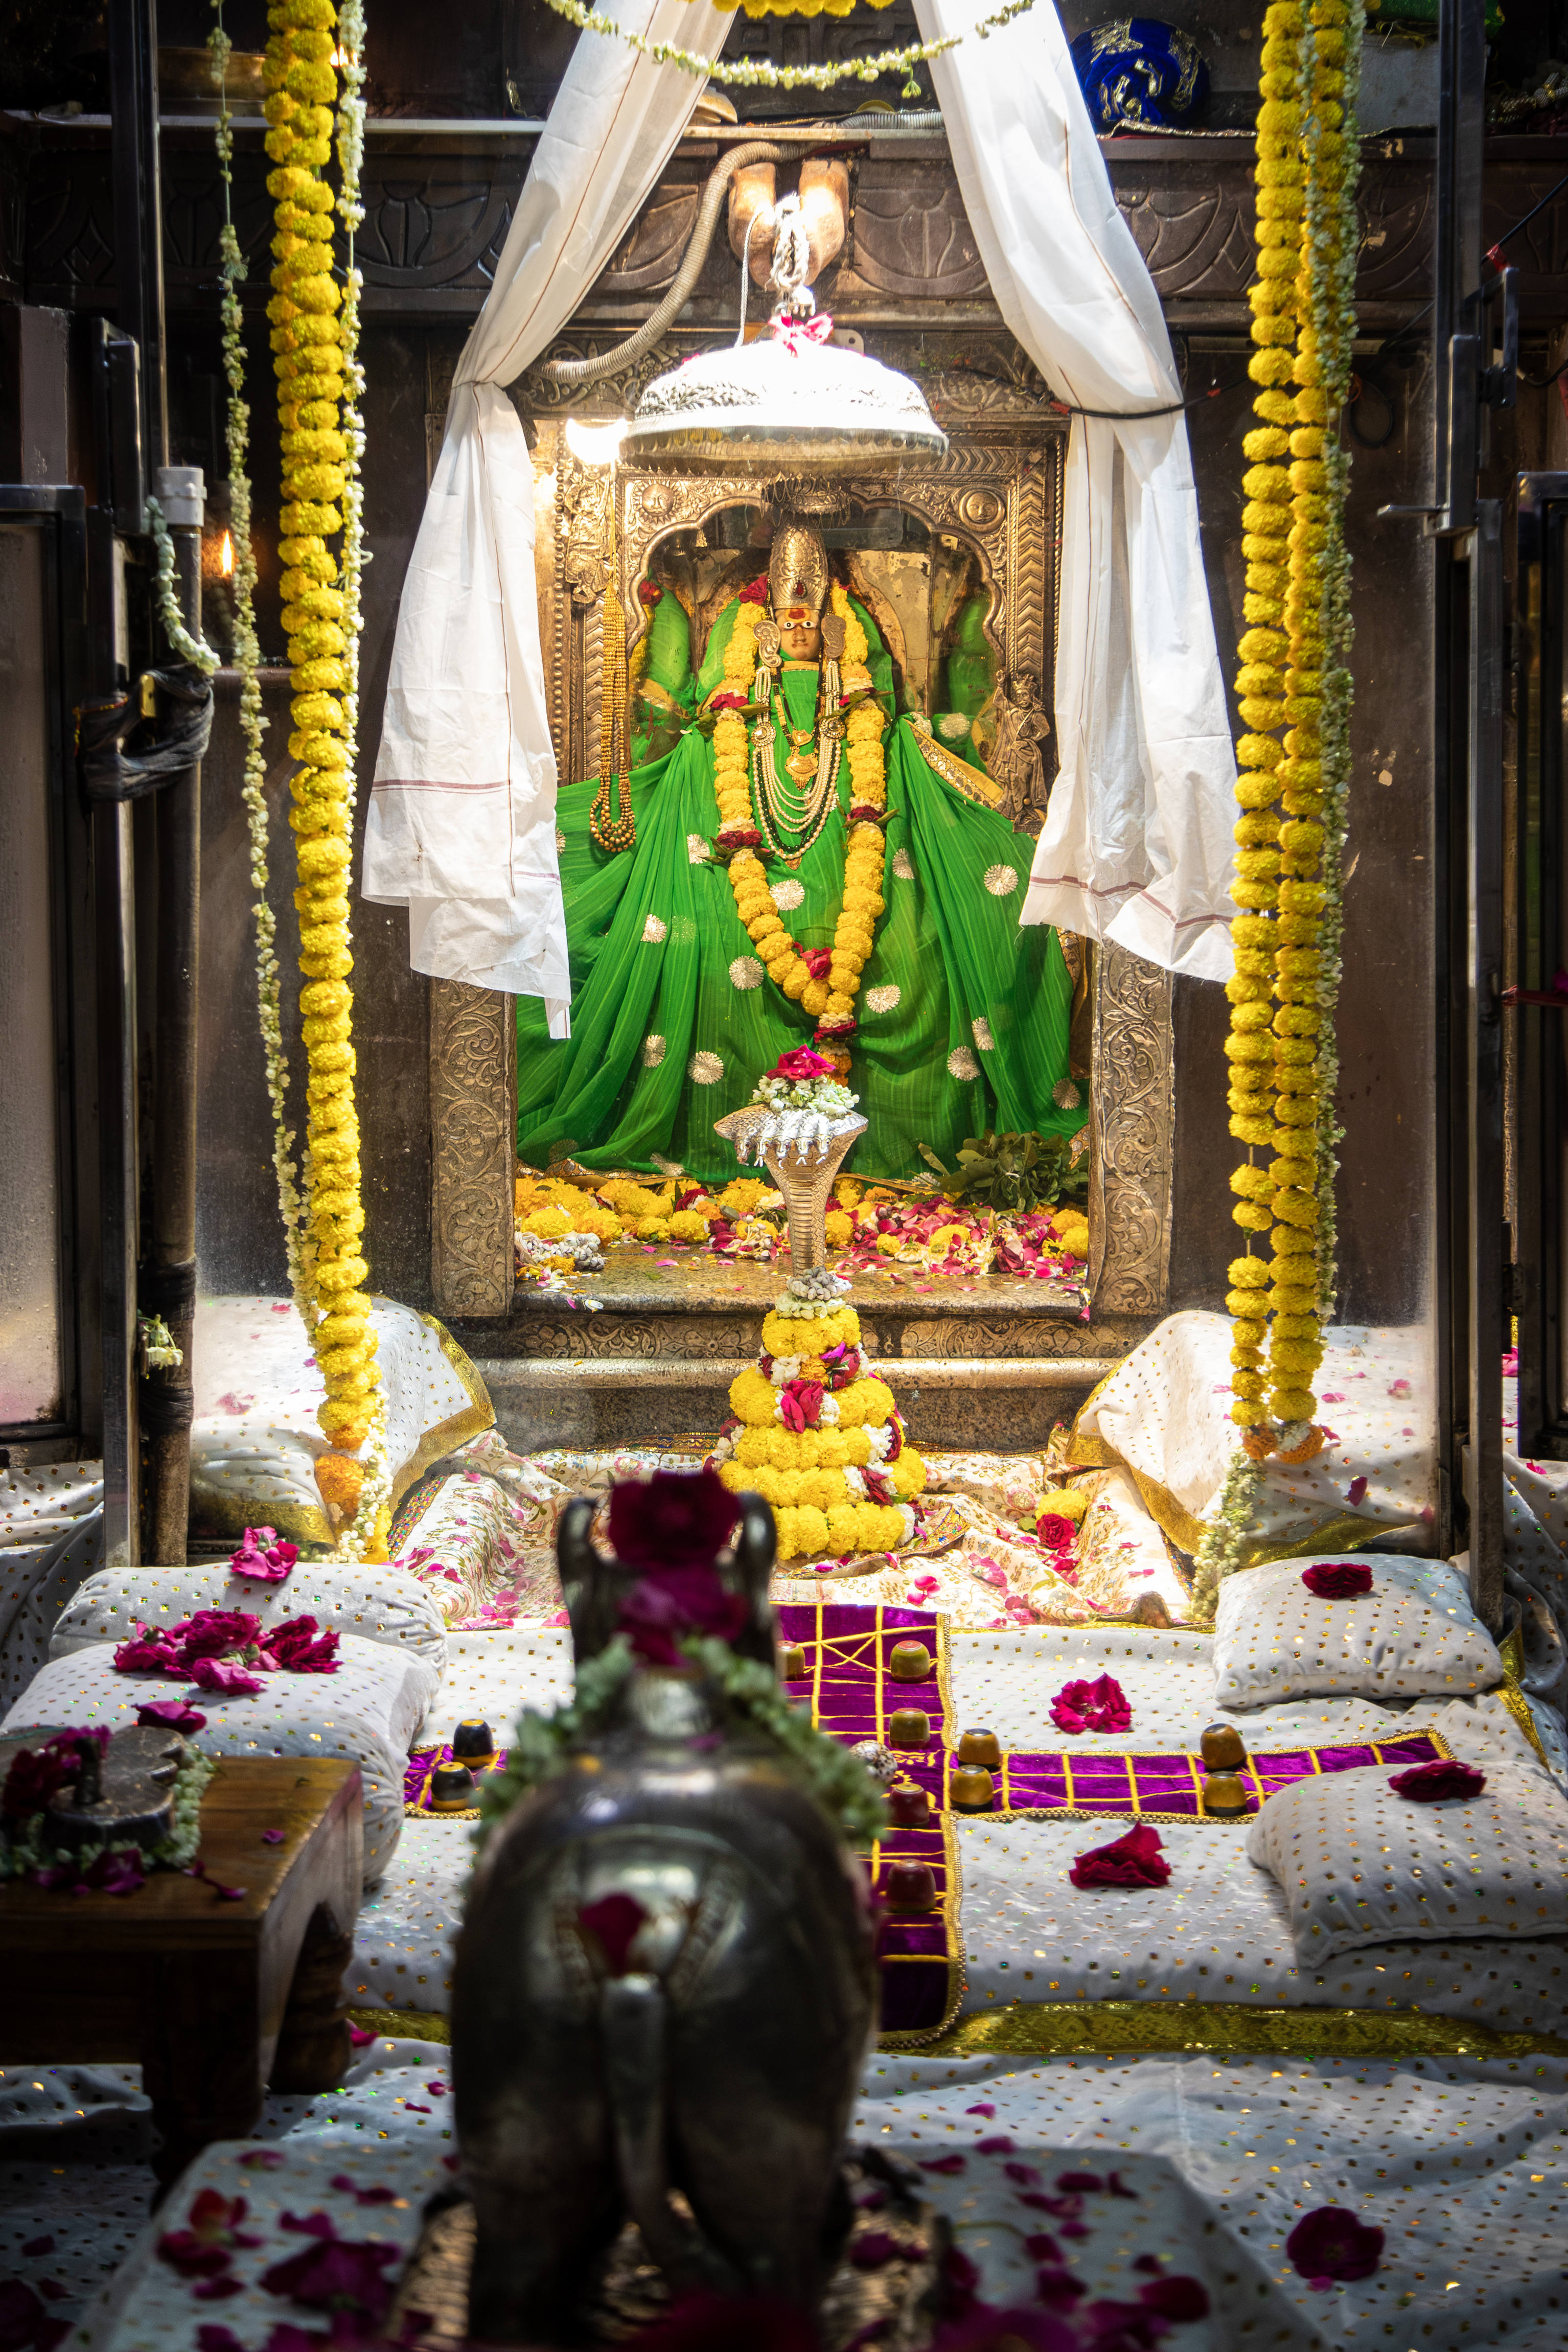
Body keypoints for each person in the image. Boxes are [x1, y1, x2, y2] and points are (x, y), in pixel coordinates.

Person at [516, 512, 1083, 1183]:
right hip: (731, 843)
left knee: (933, 939)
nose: (798, 631)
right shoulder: (722, 731)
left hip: (867, 848)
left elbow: (902, 761)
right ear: (759, 636)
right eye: (785, 624)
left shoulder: (876, 727)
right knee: (679, 937)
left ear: (838, 633)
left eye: (810, 623)